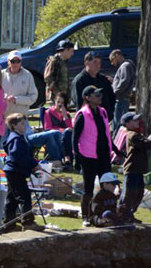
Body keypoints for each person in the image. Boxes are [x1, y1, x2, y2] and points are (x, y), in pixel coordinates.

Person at [73, 85, 122, 227]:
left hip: (103, 155)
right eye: (96, 95)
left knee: (106, 186)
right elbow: (74, 138)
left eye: (100, 95)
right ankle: (86, 216)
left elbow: (106, 134)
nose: (100, 97)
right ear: (87, 98)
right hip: (88, 155)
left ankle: (104, 213)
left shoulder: (103, 112)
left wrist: (116, 150)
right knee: (88, 187)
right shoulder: (82, 115)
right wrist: (76, 157)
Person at [2, 113, 44, 232]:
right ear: (14, 126)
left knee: (12, 198)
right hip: (15, 172)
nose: (24, 125)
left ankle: (8, 224)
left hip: (12, 171)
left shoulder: (17, 137)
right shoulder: (16, 139)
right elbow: (17, 157)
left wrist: (31, 164)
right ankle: (27, 222)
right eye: (21, 123)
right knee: (24, 196)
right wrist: (33, 164)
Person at [121, 112, 151, 224]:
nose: (137, 122)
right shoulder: (132, 135)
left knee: (139, 193)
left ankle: (130, 215)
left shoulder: (137, 134)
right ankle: (123, 215)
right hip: (131, 170)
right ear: (127, 123)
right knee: (129, 194)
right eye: (134, 120)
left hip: (138, 170)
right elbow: (146, 144)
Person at [71, 51, 115, 117]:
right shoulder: (80, 80)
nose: (98, 65)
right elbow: (78, 102)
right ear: (87, 63)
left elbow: (111, 98)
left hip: (103, 117)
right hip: (88, 118)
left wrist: (109, 114)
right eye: (95, 62)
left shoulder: (103, 80)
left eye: (99, 62)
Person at [109, 49, 136, 136]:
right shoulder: (125, 66)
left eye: (112, 60)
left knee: (118, 125)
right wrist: (113, 81)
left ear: (117, 55)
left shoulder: (125, 65)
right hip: (122, 99)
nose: (112, 63)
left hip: (121, 99)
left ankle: (116, 144)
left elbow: (124, 81)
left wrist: (115, 92)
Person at [44, 93, 73, 166]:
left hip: (65, 136)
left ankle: (68, 159)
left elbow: (70, 128)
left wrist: (65, 116)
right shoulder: (48, 112)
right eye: (58, 102)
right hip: (54, 135)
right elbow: (48, 128)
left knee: (68, 134)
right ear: (55, 102)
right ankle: (67, 158)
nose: (60, 104)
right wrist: (62, 130)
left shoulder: (66, 113)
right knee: (66, 134)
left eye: (62, 103)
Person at [44, 39, 74, 104]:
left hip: (63, 97)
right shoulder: (54, 61)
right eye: (71, 51)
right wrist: (56, 93)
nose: (72, 54)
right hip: (55, 98)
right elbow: (48, 78)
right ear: (66, 50)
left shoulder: (64, 62)